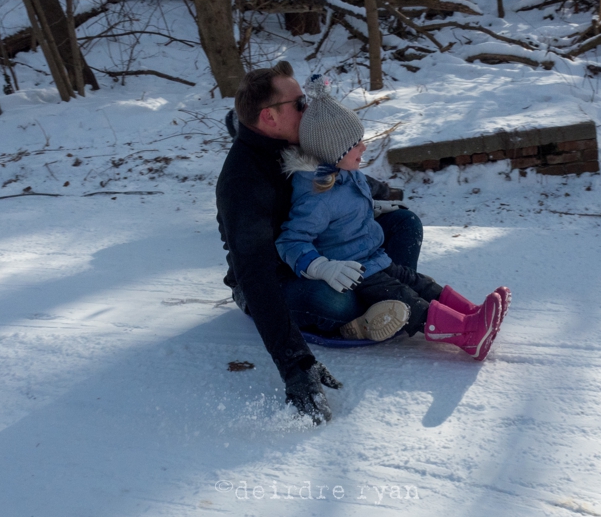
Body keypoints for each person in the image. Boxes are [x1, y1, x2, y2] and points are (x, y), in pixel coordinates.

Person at [216, 61, 424, 425]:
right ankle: (362, 310)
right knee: (334, 299)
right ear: (268, 117)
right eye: (299, 103)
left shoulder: (299, 137)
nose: (308, 108)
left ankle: (385, 300)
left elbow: (339, 175)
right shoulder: (242, 181)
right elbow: (255, 272)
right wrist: (296, 364)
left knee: (403, 223)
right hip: (280, 276)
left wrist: (377, 198)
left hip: (330, 251)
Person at [276, 75, 511, 356]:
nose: (363, 147)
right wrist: (322, 267)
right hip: (354, 272)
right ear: (332, 151)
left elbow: (346, 212)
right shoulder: (316, 196)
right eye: (355, 143)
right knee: (408, 300)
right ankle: (467, 336)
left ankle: (473, 314)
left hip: (376, 258)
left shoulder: (349, 175)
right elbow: (291, 240)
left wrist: (372, 209)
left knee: (419, 282)